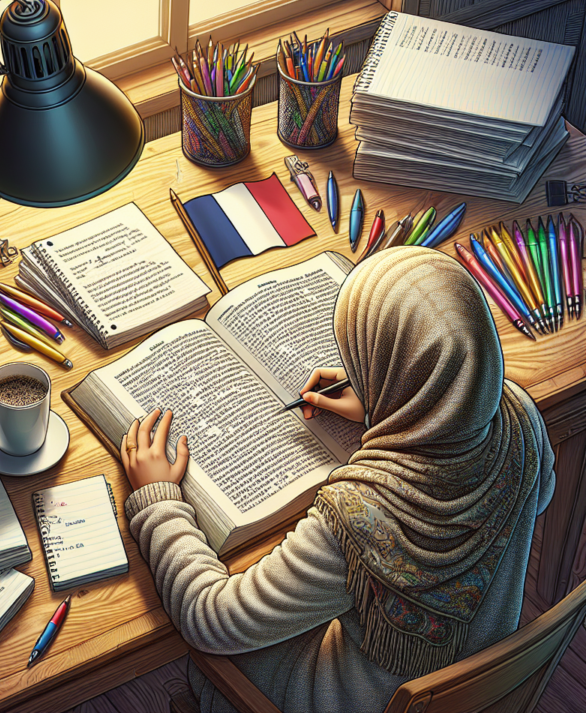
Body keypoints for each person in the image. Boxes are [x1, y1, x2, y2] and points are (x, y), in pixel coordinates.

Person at [118, 247, 555, 713]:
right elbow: (542, 493)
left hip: (348, 699)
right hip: (479, 680)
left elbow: (212, 619)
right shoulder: (517, 415)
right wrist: (388, 403)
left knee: (216, 653)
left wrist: (157, 501)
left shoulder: (358, 519)